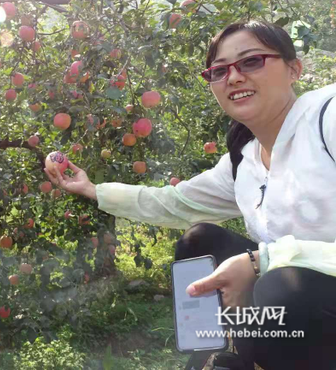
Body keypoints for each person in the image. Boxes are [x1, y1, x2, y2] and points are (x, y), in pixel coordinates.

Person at [44, 21, 336, 370]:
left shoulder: (327, 117)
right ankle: (216, 358)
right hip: (298, 317)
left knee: (285, 286)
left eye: (251, 61)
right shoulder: (244, 160)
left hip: (307, 299)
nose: (234, 77)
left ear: (294, 69)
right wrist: (93, 190)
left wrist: (264, 261)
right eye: (219, 70)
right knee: (201, 241)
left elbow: (280, 270)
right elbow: (176, 202)